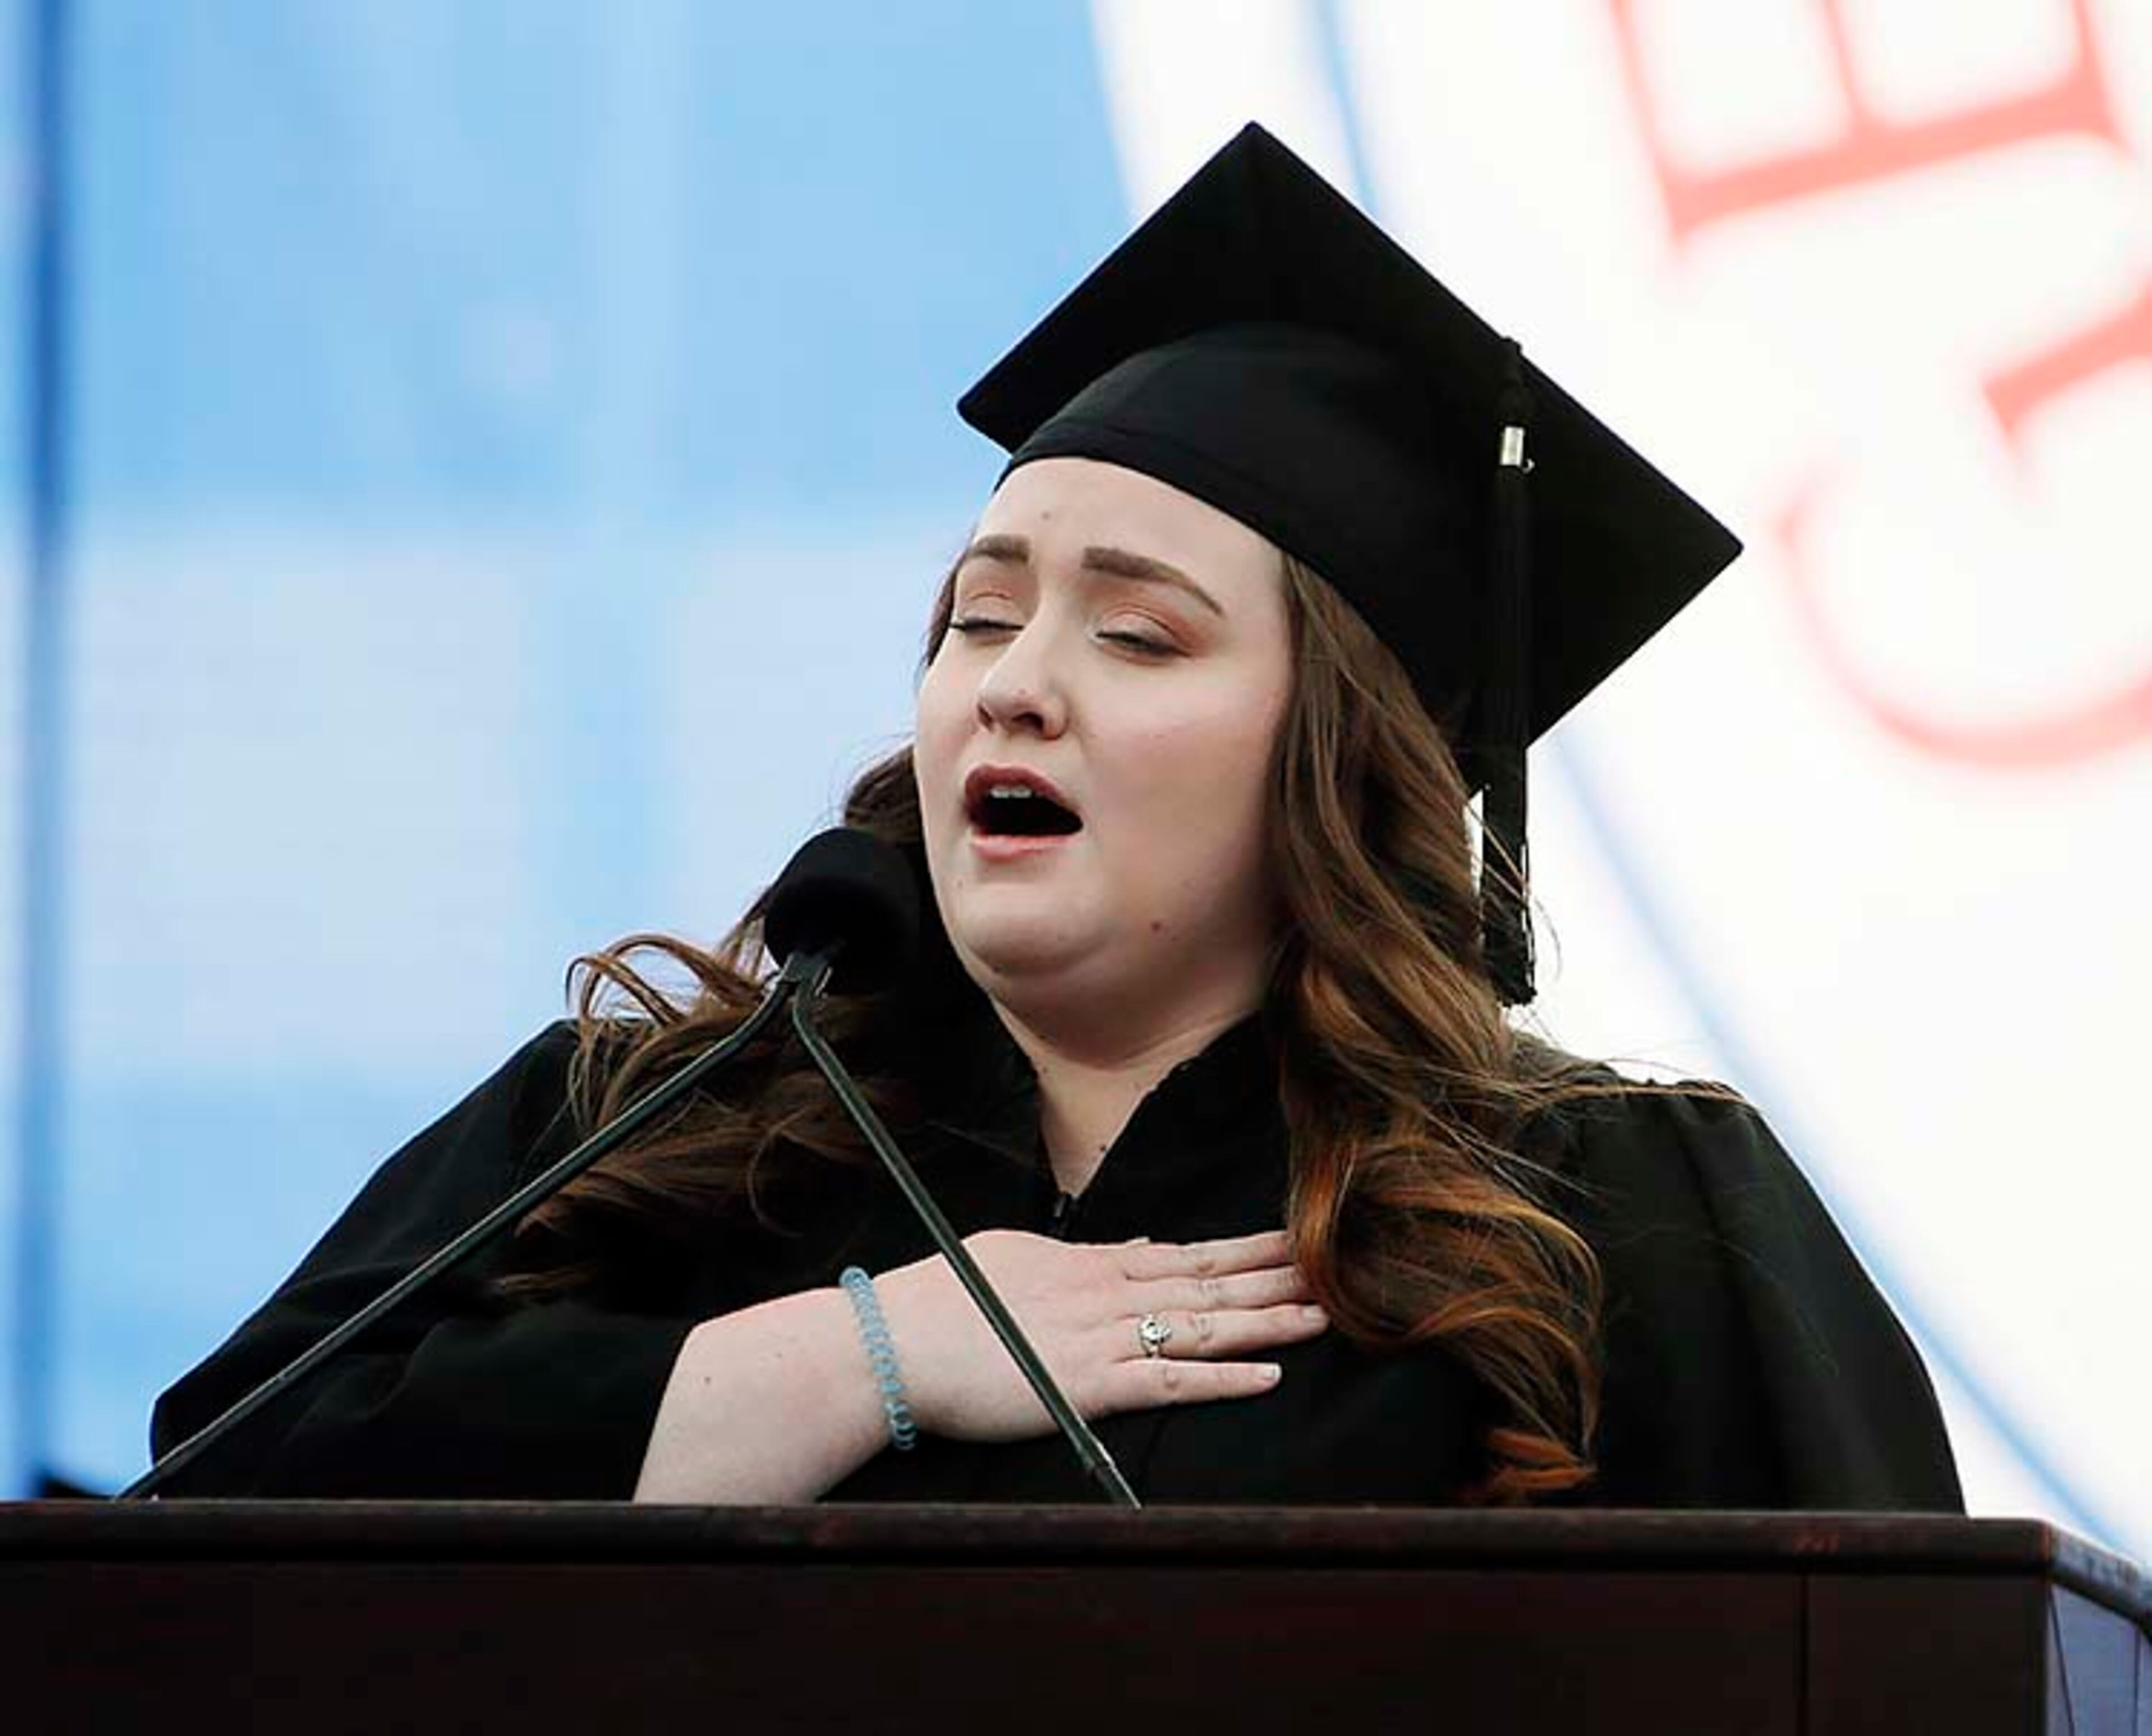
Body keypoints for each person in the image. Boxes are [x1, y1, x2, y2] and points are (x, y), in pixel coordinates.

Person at [152, 124, 1961, 1510]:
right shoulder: (648, 1129)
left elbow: (1887, 1670)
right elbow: (208, 1525)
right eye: (979, 615)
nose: (1012, 682)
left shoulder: (1604, 1219)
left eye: (1139, 631)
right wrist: (867, 1354)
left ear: (1335, 764)